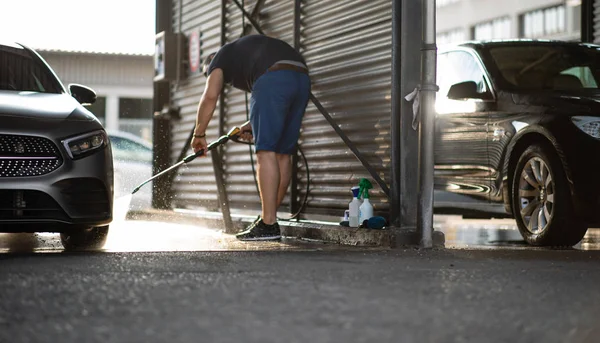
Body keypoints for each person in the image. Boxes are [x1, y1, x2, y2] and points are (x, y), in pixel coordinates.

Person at [191, 34, 311, 241]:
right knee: (283, 154)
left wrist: (198, 134)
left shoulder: (218, 59)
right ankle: (268, 217)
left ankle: (268, 223)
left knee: (266, 152)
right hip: (301, 78)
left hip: (274, 77)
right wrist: (251, 124)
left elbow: (210, 96)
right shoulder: (243, 52)